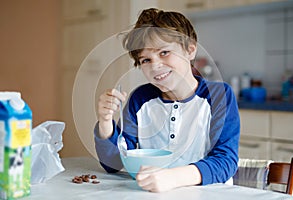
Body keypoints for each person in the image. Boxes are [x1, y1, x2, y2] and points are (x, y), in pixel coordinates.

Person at [94, 8, 240, 193]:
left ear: (190, 50)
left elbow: (225, 161)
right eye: (146, 60)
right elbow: (114, 164)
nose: (155, 66)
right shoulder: (140, 99)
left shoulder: (219, 96)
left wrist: (172, 177)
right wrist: (105, 122)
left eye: (164, 52)